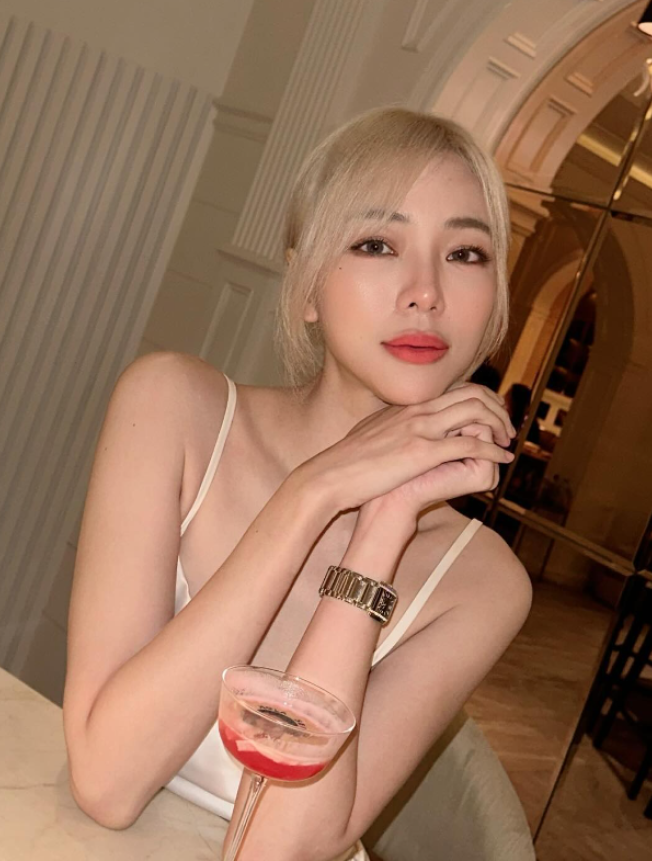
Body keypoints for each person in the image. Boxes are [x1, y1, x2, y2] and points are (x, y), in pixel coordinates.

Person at [62, 106, 533, 861]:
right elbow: (108, 780)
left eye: (465, 253)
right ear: (308, 285)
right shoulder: (173, 408)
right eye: (377, 244)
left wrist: (382, 524)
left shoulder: (484, 583)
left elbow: (273, 849)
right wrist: (313, 492)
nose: (426, 291)